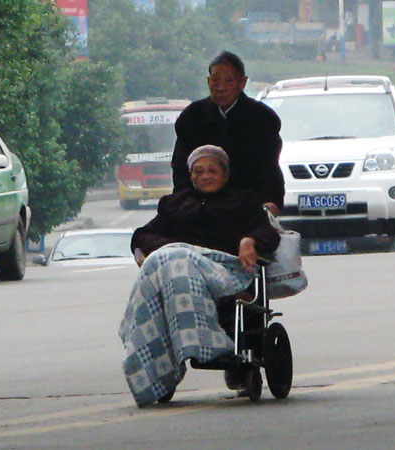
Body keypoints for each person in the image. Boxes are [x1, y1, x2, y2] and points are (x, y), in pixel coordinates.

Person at [118, 145, 280, 408]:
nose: (205, 176)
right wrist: (172, 248)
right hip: (179, 273)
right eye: (199, 171)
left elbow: (269, 234)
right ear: (191, 176)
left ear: (225, 173)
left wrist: (249, 240)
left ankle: (212, 344)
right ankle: (157, 368)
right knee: (170, 259)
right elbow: (142, 236)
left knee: (172, 259)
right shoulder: (174, 204)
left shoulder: (243, 200)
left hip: (226, 272)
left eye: (212, 170)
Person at [171, 51, 284, 215]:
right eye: (215, 80)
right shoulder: (192, 117)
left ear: (243, 83)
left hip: (249, 206)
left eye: (229, 81)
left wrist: (271, 202)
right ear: (208, 81)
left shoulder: (262, 118)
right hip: (200, 207)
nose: (221, 87)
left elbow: (269, 169)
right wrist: (181, 203)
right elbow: (180, 168)